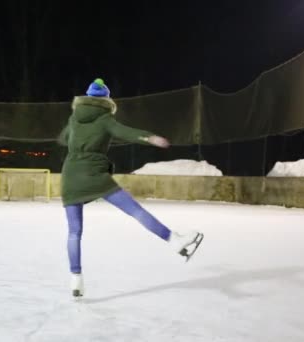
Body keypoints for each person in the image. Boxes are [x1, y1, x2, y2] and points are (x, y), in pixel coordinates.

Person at [58, 78, 203, 297]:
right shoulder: (105, 119)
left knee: (74, 232)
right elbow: (126, 132)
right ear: (106, 100)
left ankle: (75, 280)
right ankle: (173, 240)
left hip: (69, 176)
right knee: (135, 210)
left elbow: (62, 138)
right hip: (94, 175)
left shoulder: (73, 119)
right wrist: (150, 137)